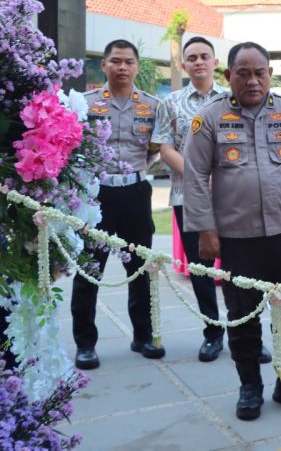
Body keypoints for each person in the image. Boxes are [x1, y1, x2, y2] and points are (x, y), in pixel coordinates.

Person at [183, 42, 281, 421]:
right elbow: (195, 176)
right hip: (237, 238)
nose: (253, 81)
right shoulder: (209, 117)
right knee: (243, 317)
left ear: (270, 74)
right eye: (243, 73)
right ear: (229, 76)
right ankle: (250, 386)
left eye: (260, 73)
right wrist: (205, 229)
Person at [152, 37, 259, 364]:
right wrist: (199, 177)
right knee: (200, 269)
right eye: (192, 57)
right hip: (188, 197)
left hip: (233, 198)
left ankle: (248, 336)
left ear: (215, 63)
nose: (198, 62)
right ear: (183, 65)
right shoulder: (170, 102)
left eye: (204, 56)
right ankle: (213, 333)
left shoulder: (233, 99)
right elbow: (165, 148)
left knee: (241, 268)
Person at [72, 40, 163, 370]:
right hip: (97, 194)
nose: (122, 67)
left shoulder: (152, 106)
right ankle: (85, 344)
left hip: (135, 193)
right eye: (115, 61)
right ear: (104, 65)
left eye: (128, 62)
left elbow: (155, 149)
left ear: (137, 65)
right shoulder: (85, 104)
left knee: (140, 268)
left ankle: (144, 335)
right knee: (89, 270)